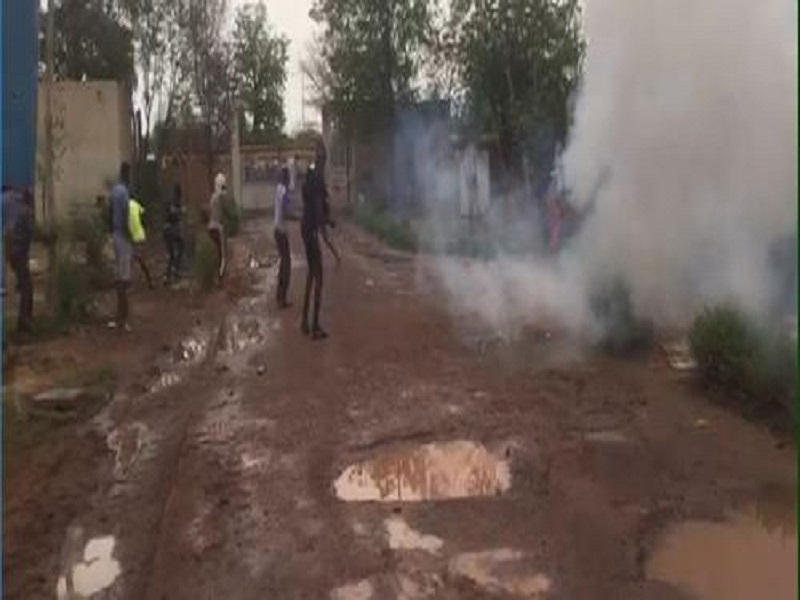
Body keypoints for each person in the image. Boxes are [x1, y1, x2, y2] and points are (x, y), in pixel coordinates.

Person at [300, 142, 339, 339]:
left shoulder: (310, 176)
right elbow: (317, 210)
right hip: (311, 230)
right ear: (323, 160)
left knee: (311, 274)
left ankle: (304, 322)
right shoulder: (317, 179)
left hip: (305, 228)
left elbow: (314, 206)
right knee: (319, 276)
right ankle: (314, 326)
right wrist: (328, 221)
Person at [3, 186, 34, 333]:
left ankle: (24, 321)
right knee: (27, 288)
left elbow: (9, 232)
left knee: (24, 284)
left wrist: (8, 253)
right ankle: (24, 322)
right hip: (20, 253)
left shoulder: (16, 212)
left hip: (14, 253)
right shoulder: (26, 213)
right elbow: (29, 234)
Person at [108, 162, 133, 331]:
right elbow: (126, 216)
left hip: (115, 234)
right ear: (127, 175)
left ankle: (120, 317)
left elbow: (109, 212)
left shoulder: (114, 191)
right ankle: (123, 319)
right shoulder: (124, 193)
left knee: (119, 277)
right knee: (124, 279)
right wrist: (131, 235)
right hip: (123, 237)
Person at [274, 166, 292, 308]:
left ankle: (279, 295)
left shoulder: (278, 188)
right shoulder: (284, 191)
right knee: (286, 265)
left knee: (283, 263)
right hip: (281, 230)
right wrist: (296, 217)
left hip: (277, 229)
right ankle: (282, 298)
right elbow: (286, 211)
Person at [128, 194, 154, 289]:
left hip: (132, 238)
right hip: (140, 235)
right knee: (141, 260)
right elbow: (144, 216)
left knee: (131, 260)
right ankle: (149, 281)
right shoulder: (136, 204)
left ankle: (132, 284)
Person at [163, 183, 184, 285]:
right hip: (170, 229)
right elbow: (173, 211)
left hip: (169, 229)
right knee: (176, 250)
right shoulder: (174, 200)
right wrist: (181, 211)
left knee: (175, 251)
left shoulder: (174, 200)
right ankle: (172, 272)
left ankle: (171, 273)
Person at [207, 173, 227, 282]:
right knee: (222, 255)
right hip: (218, 228)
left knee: (215, 253)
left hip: (210, 227)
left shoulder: (212, 197)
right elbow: (223, 213)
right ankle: (219, 277)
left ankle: (214, 274)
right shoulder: (219, 197)